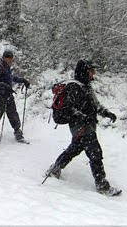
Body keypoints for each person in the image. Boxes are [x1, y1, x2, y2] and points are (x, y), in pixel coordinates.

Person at [45, 59, 121, 196]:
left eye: (93, 71)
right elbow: (68, 108)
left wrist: (106, 112)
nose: (93, 74)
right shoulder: (74, 87)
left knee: (75, 148)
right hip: (80, 126)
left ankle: (55, 168)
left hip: (87, 124)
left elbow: (95, 104)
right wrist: (82, 116)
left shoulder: (86, 86)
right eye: (91, 71)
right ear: (84, 72)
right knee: (95, 152)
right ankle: (102, 185)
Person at [0, 49, 30, 143]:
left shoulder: (7, 67)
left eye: (11, 58)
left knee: (12, 112)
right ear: (4, 57)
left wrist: (22, 80)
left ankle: (18, 132)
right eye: (8, 58)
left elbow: (10, 78)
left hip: (7, 94)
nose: (10, 60)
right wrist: (4, 86)